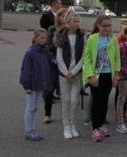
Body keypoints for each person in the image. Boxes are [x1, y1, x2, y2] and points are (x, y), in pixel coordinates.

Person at [83, 15, 121, 143]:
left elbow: (117, 58)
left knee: (105, 101)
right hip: (96, 75)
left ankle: (101, 125)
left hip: (108, 74)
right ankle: (95, 128)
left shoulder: (113, 39)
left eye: (109, 25)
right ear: (98, 25)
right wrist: (90, 75)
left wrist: (116, 75)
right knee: (97, 102)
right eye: (104, 26)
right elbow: (87, 58)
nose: (107, 28)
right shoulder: (93, 38)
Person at [55, 10, 84, 139]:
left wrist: (74, 71)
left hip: (76, 73)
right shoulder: (61, 36)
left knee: (74, 100)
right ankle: (66, 126)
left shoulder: (82, 36)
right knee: (65, 100)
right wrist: (67, 73)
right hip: (64, 74)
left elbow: (84, 56)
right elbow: (59, 57)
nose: (77, 24)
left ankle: (73, 125)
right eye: (74, 21)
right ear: (68, 22)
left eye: (78, 21)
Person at [20, 29, 52, 141]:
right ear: (35, 38)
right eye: (41, 38)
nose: (44, 40)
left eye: (45, 38)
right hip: (32, 85)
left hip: (40, 84)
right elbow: (25, 70)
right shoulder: (30, 52)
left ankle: (32, 129)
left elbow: (46, 68)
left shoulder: (45, 51)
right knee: (31, 108)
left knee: (35, 108)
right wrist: (26, 86)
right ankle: (28, 131)